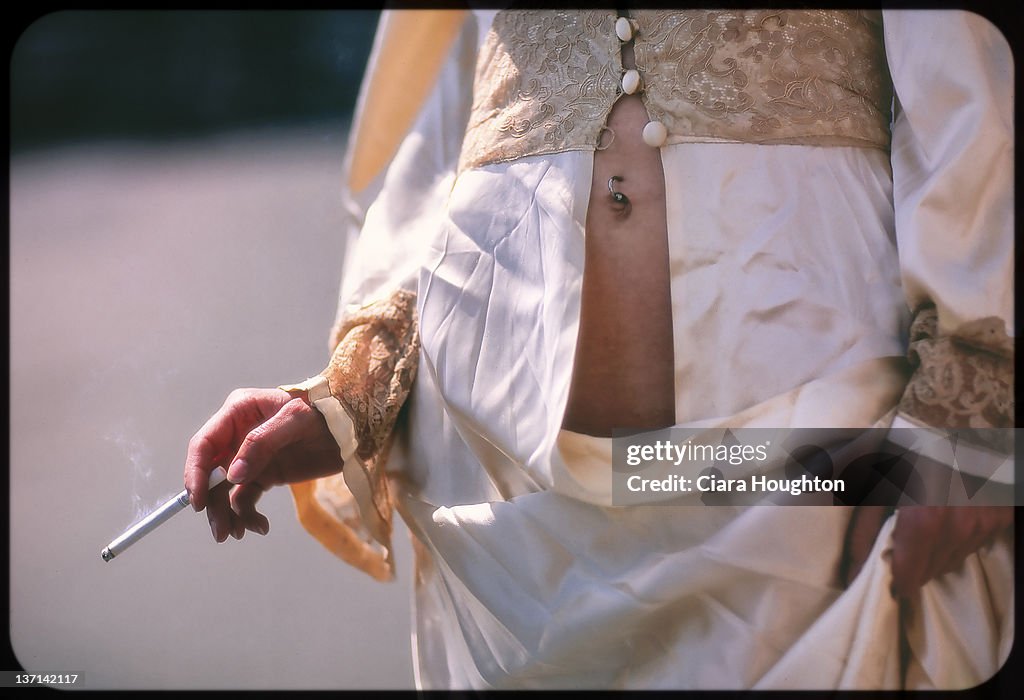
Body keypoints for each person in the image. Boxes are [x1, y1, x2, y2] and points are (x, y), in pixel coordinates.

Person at [184, 9, 1014, 689]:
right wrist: (346, 397)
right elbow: (434, 155)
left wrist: (974, 415)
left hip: (813, 485)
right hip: (497, 516)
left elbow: (970, 102)